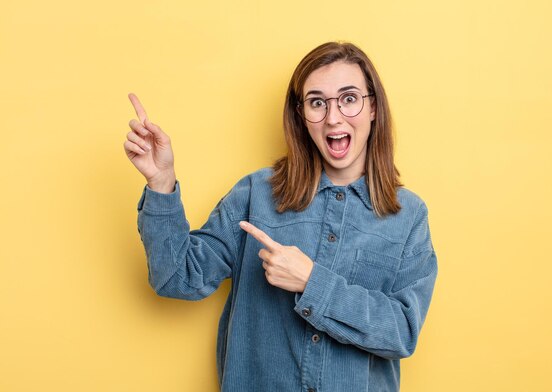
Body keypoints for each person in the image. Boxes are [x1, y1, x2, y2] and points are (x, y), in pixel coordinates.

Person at [124, 41, 438, 391]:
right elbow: (176, 278)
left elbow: (402, 331)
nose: (333, 117)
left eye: (349, 98)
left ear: (373, 108)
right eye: (317, 103)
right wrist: (161, 182)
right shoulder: (256, 194)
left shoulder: (408, 216)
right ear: (302, 116)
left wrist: (311, 282)